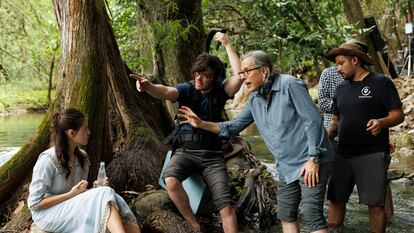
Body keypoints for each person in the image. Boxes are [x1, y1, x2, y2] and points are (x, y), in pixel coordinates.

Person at [178, 50, 334, 233]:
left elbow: (313, 120)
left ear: (264, 71)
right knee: (286, 214)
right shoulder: (255, 100)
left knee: (311, 214)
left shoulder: (289, 85)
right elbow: (234, 126)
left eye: (247, 71)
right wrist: (201, 124)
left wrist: (313, 158)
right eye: (241, 73)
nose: (243, 78)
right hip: (285, 166)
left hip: (311, 160)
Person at [130, 33, 241, 233]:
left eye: (206, 76)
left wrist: (227, 44)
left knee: (225, 205)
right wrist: (148, 87)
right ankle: (194, 225)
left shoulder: (220, 92)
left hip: (213, 156)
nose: (199, 78)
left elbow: (240, 75)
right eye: (198, 73)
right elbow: (164, 92)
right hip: (186, 152)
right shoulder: (186, 89)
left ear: (215, 79)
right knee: (170, 179)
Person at [325, 39, 405, 233]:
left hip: (372, 153)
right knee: (335, 199)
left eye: (341, 63)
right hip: (342, 153)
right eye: (336, 64)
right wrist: (326, 134)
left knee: (375, 204)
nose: (338, 69)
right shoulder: (341, 88)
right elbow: (336, 118)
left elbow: (398, 114)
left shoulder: (381, 82)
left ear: (354, 60)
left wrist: (382, 122)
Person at [28, 108, 140, 233]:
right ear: (71, 133)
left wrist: (95, 189)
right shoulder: (48, 159)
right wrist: (70, 194)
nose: (89, 132)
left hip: (70, 208)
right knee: (105, 193)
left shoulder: (82, 157)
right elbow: (34, 204)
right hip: (47, 215)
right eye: (85, 128)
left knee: (109, 193)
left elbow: (80, 197)